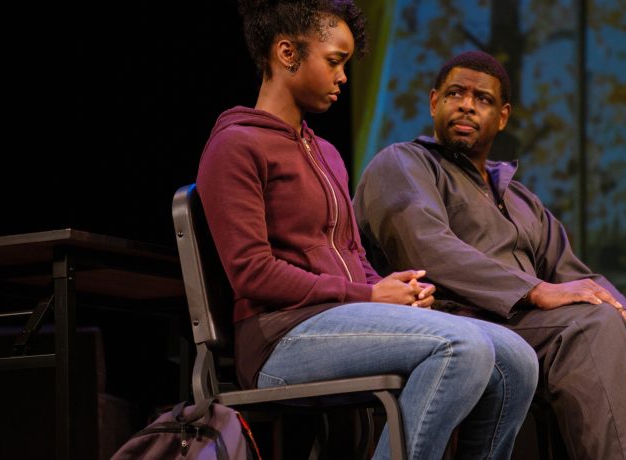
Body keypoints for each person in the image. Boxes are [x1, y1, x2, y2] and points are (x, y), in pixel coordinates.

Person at [354, 50, 626, 460]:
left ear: (502, 117)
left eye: (481, 98)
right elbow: (428, 247)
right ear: (434, 103)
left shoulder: (519, 198)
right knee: (591, 326)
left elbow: (574, 274)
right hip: (467, 324)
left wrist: (623, 310)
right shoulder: (404, 162)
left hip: (538, 327)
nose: (466, 104)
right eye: (455, 94)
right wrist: (534, 290)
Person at [195, 4, 539, 459]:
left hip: (339, 323)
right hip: (280, 339)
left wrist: (394, 289)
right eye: (334, 61)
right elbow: (252, 274)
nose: (342, 77)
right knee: (463, 345)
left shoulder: (328, 154)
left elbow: (353, 256)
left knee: (518, 359)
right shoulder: (236, 145)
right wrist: (370, 298)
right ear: (286, 53)